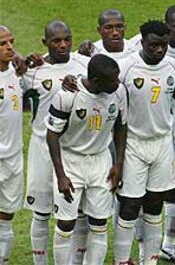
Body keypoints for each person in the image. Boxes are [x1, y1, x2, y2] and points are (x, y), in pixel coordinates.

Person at [113, 20, 175, 265]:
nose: (159, 50)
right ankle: (122, 261)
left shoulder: (173, 67)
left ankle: (149, 260)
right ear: (142, 42)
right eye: (153, 45)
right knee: (130, 206)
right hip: (134, 143)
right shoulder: (125, 68)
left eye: (163, 45)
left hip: (162, 143)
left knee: (155, 204)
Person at [46, 54, 127, 265]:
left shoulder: (118, 93)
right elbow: (52, 135)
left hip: (101, 161)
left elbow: (121, 127)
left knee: (100, 222)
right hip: (71, 160)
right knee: (66, 223)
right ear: (97, 81)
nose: (118, 83)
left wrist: (118, 163)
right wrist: (61, 175)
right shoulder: (67, 96)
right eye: (113, 80)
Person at [22, 20, 90, 265]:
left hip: (74, 150)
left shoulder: (84, 64)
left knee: (78, 214)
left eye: (67, 39)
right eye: (56, 41)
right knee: (40, 213)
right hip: (42, 148)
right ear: (45, 43)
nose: (63, 45)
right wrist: (22, 62)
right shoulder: (33, 71)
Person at [0, 26, 23, 265]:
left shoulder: (16, 72)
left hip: (14, 156)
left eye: (11, 42)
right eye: (2, 44)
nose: (10, 47)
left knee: (7, 213)